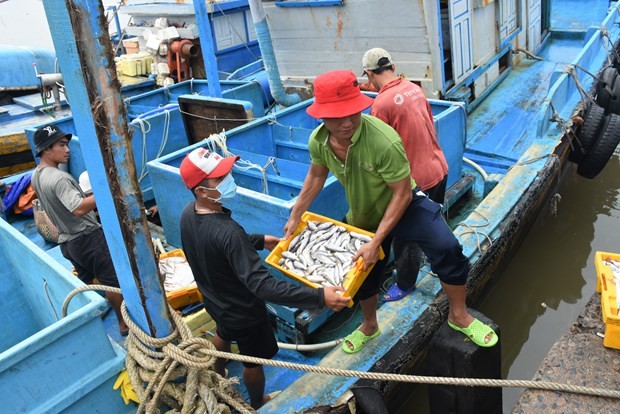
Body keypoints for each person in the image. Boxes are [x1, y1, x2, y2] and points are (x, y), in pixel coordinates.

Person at [283, 70, 497, 352]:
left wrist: (376, 241)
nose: (347, 122)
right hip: (364, 212)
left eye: (352, 113)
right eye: (337, 116)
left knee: (447, 247)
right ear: (321, 115)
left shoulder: (383, 140)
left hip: (406, 204)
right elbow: (316, 175)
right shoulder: (318, 141)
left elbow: (402, 193)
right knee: (362, 271)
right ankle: (369, 325)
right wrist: (296, 213)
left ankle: (459, 315)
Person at [178, 147, 351, 409]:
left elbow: (216, 246)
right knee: (253, 361)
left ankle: (216, 374)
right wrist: (319, 296)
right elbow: (263, 286)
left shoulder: (188, 214)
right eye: (220, 178)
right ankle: (258, 401)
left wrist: (259, 240)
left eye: (226, 172)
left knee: (223, 332)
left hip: (215, 300)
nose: (229, 178)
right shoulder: (229, 232)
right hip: (244, 312)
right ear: (202, 191)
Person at [361, 47, 449, 302]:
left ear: (369, 73)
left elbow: (379, 150)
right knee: (433, 223)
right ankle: (437, 262)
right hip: (438, 168)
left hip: (415, 180)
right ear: (392, 66)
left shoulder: (381, 104)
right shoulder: (414, 88)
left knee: (405, 238)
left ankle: (405, 283)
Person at [30, 125, 128, 336]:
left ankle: (94, 319)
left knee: (87, 283)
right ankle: (123, 324)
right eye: (62, 145)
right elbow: (78, 208)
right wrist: (108, 191)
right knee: (112, 282)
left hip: (67, 242)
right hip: (87, 240)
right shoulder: (60, 178)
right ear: (46, 149)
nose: (67, 150)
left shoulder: (37, 175)